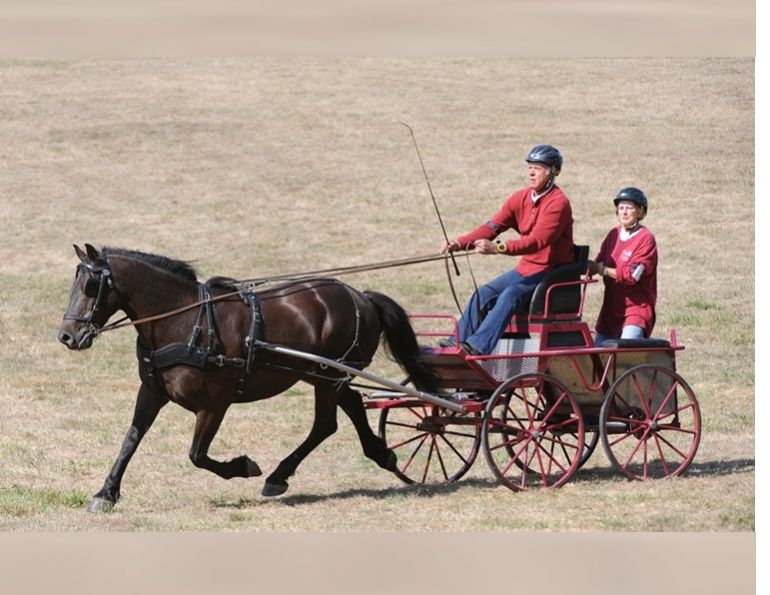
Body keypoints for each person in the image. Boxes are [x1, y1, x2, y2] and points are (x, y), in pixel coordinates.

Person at [439, 144, 575, 355]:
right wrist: (460, 243)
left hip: (551, 274)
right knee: (483, 293)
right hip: (526, 270)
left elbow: (537, 241)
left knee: (511, 294)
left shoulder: (558, 204)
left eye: (538, 168)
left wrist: (498, 248)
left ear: (554, 171)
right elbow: (492, 227)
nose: (531, 172)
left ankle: (477, 346)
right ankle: (455, 342)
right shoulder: (519, 198)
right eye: (530, 167)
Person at [586, 187, 658, 346]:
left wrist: (602, 269)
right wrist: (583, 265)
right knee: (597, 362)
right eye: (621, 208)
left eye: (629, 208)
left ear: (640, 212)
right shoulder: (613, 234)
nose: (624, 212)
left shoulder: (646, 239)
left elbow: (633, 275)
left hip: (635, 311)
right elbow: (599, 262)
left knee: (623, 357)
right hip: (610, 312)